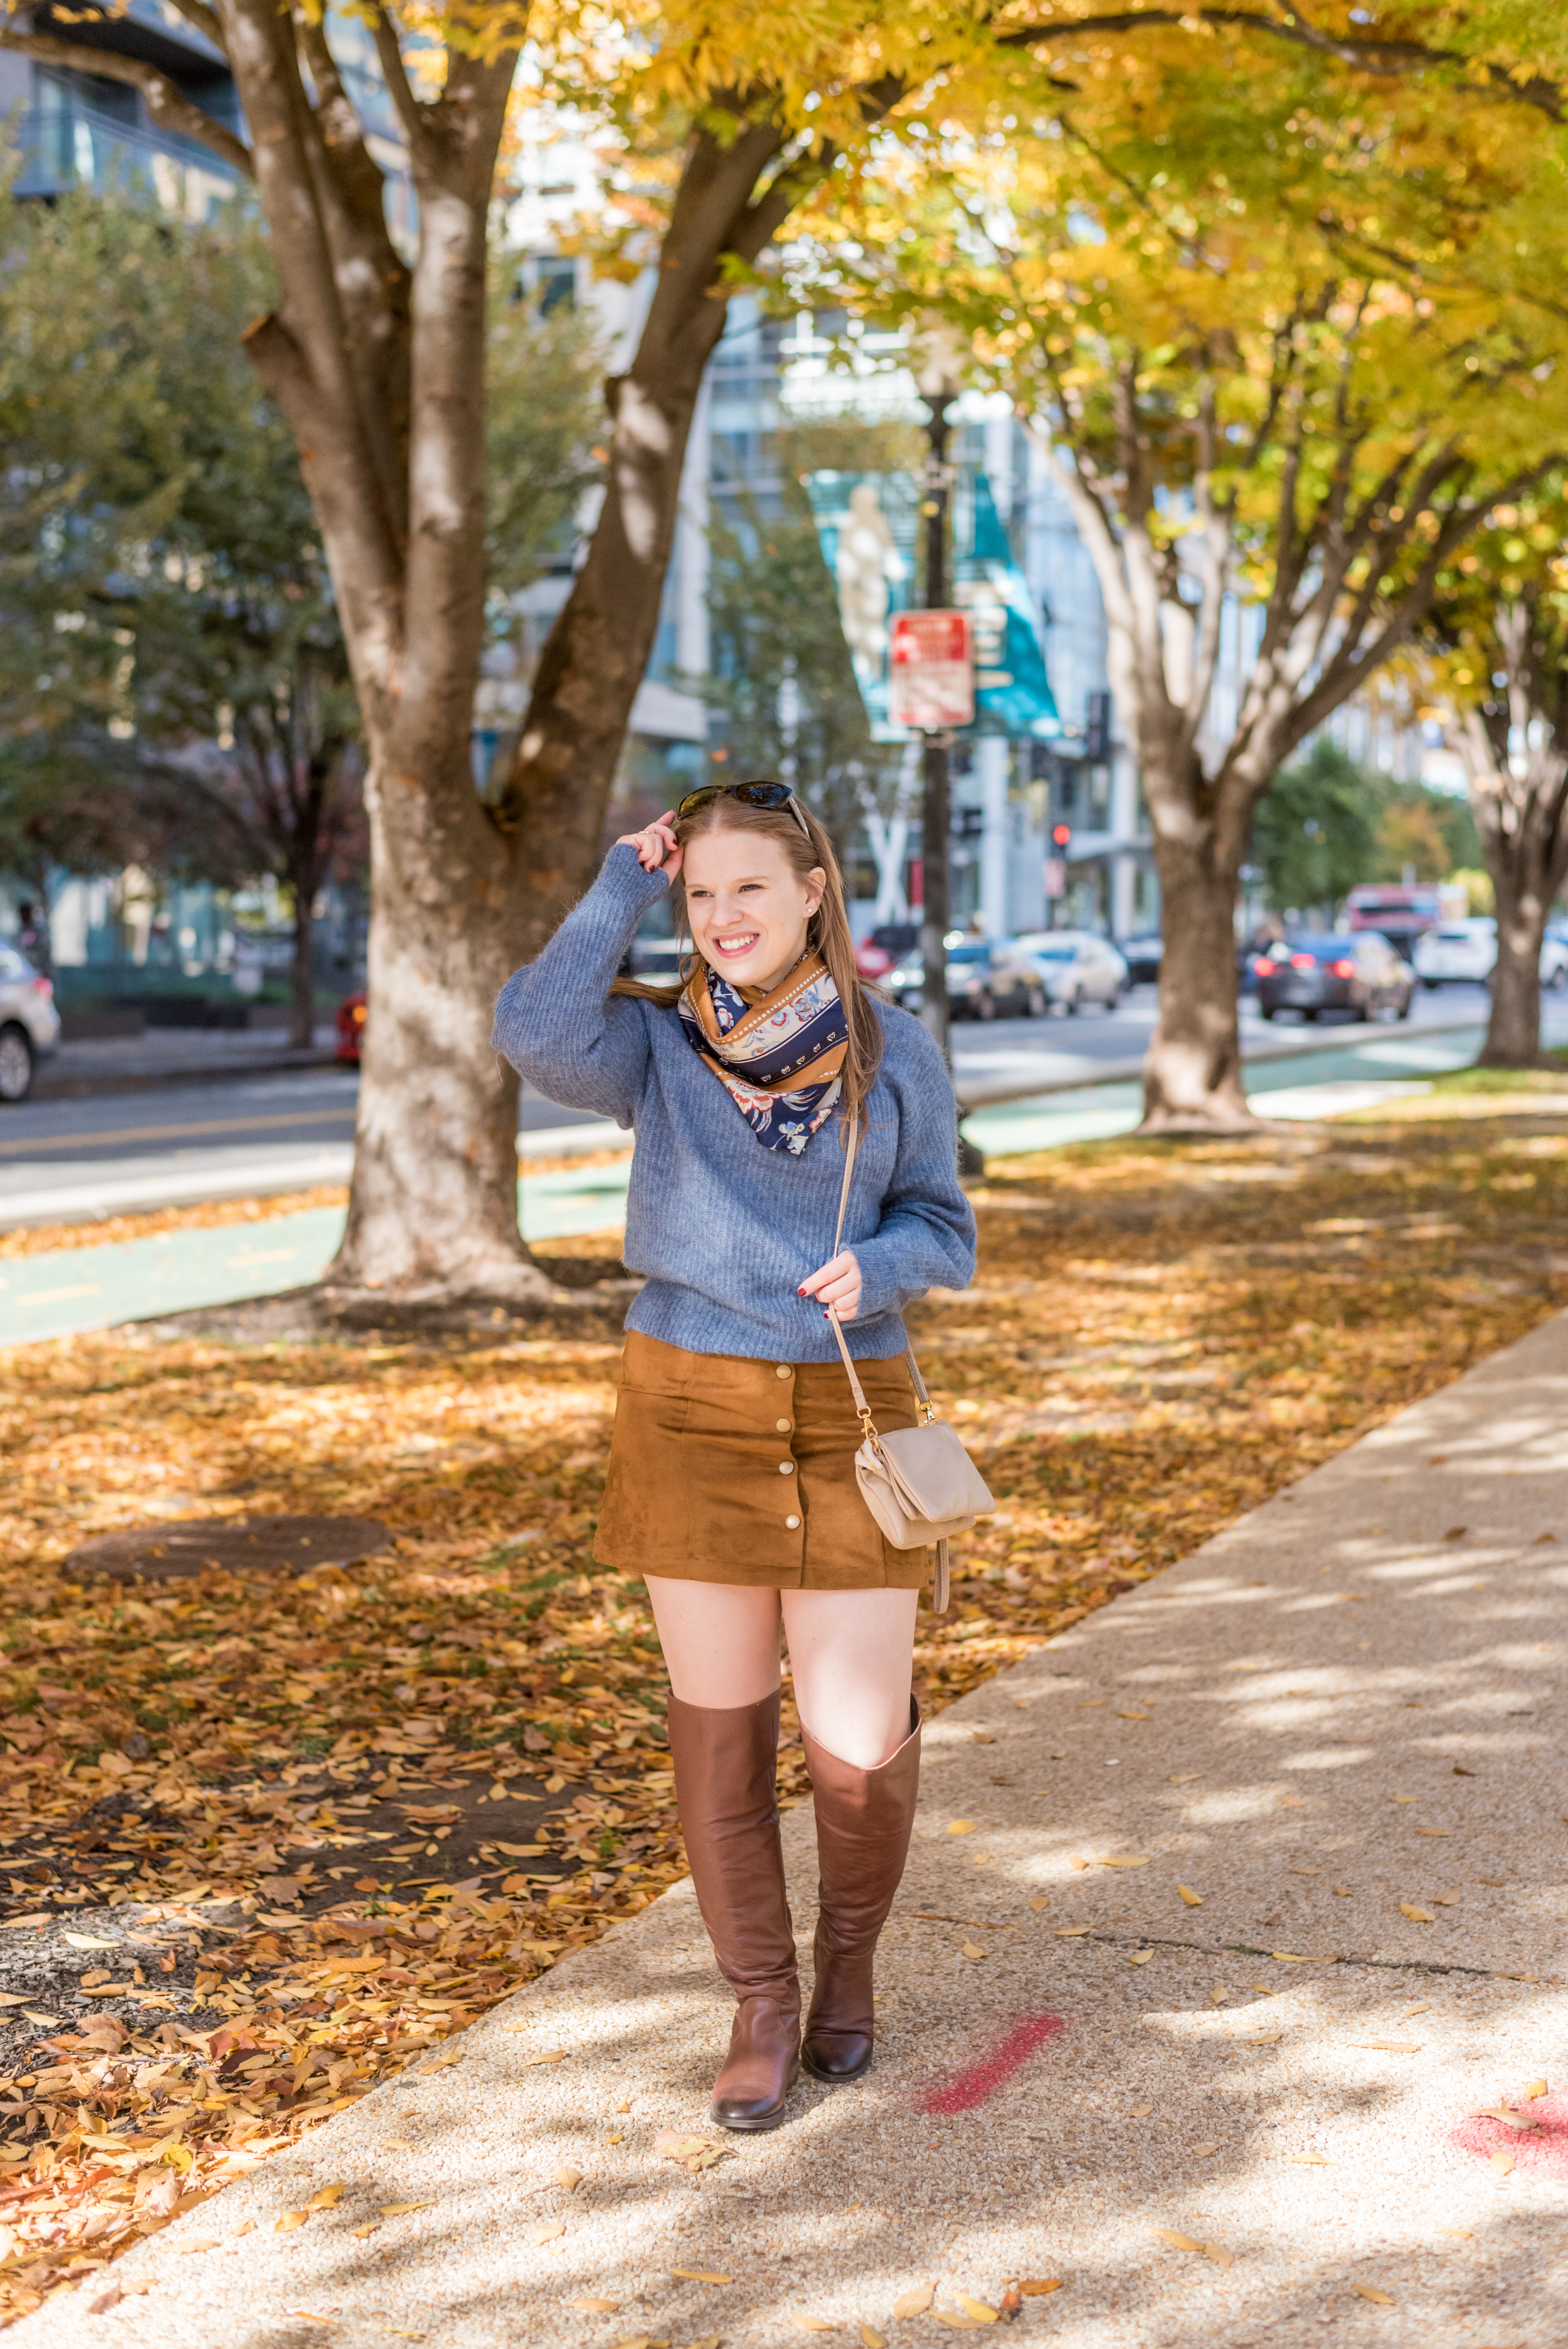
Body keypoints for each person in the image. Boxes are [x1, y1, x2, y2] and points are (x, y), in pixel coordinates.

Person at [492, 782, 975, 2133]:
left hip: (847, 1407)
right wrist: (617, 890)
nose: (722, 920)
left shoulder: (898, 1050)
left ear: (813, 890)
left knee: (857, 1747)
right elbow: (530, 1031)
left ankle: (847, 1979)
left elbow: (945, 1225)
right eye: (701, 895)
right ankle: (759, 2002)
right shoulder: (653, 1046)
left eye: (748, 889)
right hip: (688, 1404)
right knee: (719, 1734)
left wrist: (877, 1263)